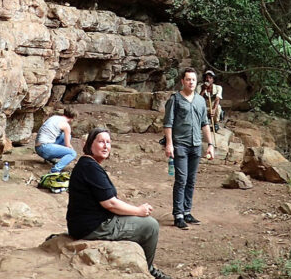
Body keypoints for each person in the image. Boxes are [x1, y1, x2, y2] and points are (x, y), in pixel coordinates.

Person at [67, 127, 172, 279]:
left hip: (83, 224)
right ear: (90, 145)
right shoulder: (90, 168)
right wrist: (138, 211)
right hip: (93, 227)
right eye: (101, 142)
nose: (105, 146)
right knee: (150, 225)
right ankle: (149, 270)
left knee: (136, 220)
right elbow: (110, 204)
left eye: (108, 142)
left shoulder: (87, 165)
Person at [163, 67, 215, 229]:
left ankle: (187, 211)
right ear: (182, 81)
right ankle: (178, 214)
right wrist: (169, 144)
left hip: (196, 145)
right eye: (188, 79)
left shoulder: (200, 101)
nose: (191, 82)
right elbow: (168, 123)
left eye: (193, 79)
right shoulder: (175, 100)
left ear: (196, 82)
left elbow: (204, 124)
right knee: (181, 179)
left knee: (191, 180)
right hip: (180, 144)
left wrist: (211, 145)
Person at [35, 107, 77, 174]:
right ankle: (55, 170)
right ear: (72, 118)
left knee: (64, 136)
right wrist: (73, 153)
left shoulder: (54, 117)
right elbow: (68, 145)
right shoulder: (66, 125)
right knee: (72, 153)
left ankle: (49, 159)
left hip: (38, 147)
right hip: (45, 148)